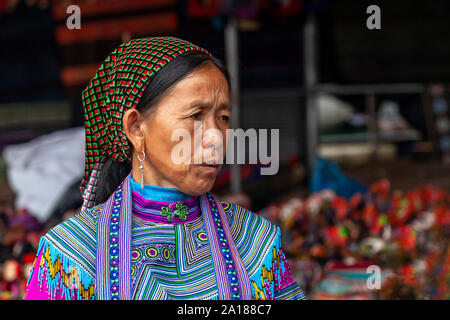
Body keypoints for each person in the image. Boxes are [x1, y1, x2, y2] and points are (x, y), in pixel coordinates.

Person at [24, 36, 305, 300]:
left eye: (223, 117)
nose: (216, 136)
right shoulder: (73, 255)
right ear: (135, 128)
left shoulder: (255, 242)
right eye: (195, 116)